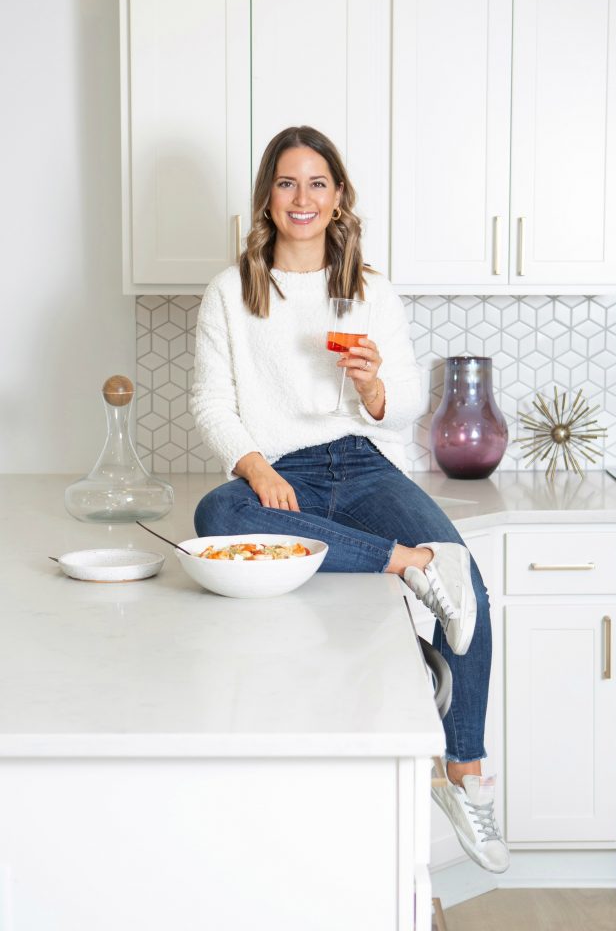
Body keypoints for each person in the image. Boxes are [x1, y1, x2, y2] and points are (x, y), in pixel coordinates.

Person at [190, 125, 509, 874]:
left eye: (317, 183)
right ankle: (406, 561)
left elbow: (397, 408)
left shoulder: (369, 290)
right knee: (219, 514)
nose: (302, 198)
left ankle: (464, 775)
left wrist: (371, 387)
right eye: (287, 183)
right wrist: (254, 466)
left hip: (362, 465)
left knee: (467, 585)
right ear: (267, 198)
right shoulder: (231, 292)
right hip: (281, 473)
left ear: (338, 199)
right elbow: (210, 401)